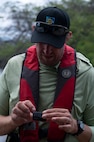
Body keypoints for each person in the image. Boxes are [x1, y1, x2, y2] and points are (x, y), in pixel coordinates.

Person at [0, 7, 94, 142]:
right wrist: (13, 121)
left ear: (68, 37)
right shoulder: (14, 66)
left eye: (54, 43)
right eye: (41, 41)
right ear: (33, 31)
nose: (46, 50)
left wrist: (76, 127)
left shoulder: (86, 73)